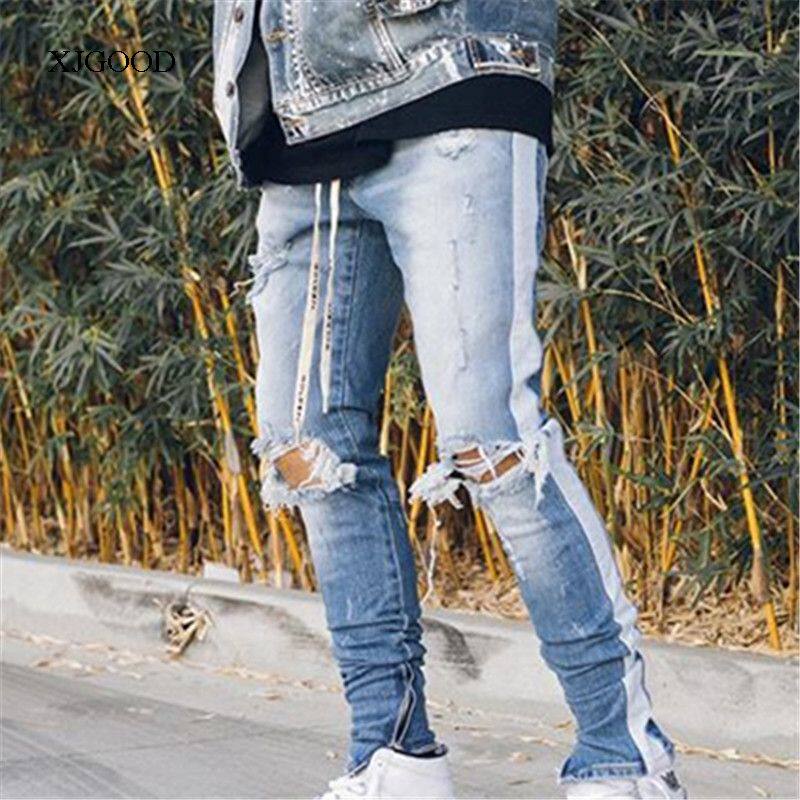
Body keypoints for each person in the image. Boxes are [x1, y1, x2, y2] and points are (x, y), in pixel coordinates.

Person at [212, 2, 687, 798]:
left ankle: (624, 756)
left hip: (446, 70)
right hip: (296, 117)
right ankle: (391, 751)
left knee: (491, 439)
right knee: (307, 450)